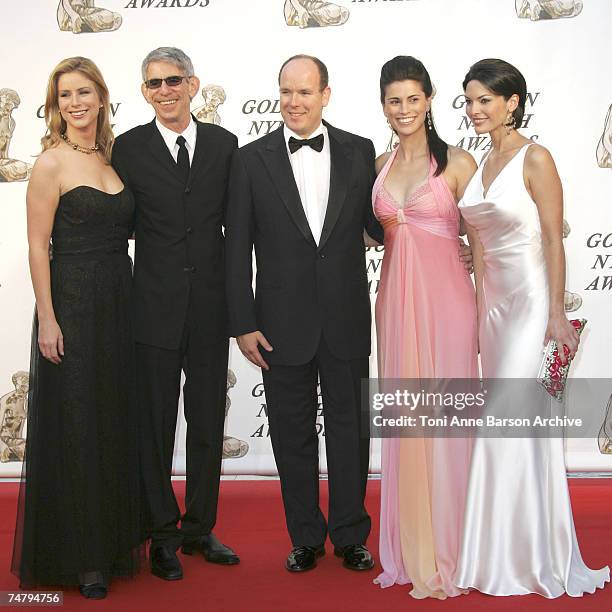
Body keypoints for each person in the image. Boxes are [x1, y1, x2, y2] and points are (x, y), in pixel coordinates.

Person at [455, 58, 610, 597]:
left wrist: (554, 316)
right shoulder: (478, 162)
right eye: (470, 101)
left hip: (530, 308)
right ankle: (493, 548)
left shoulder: (535, 158)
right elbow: (475, 243)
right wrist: (477, 312)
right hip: (495, 311)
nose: (475, 110)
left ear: (513, 100)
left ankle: (526, 555)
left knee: (513, 424)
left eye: (485, 101)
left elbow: (551, 240)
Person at [225, 54, 383, 573]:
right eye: (286, 92)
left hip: (344, 319)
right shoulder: (250, 160)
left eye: (305, 92)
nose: (294, 102)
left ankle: (350, 535)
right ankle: (305, 538)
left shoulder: (361, 151)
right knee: (291, 435)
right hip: (277, 325)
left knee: (349, 433)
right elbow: (236, 248)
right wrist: (243, 322)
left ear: (326, 95)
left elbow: (381, 225)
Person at [11, 56, 141, 599]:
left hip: (119, 304)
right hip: (72, 303)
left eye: (84, 91)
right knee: (76, 424)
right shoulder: (51, 163)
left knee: (111, 419)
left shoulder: (111, 157)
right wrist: (47, 317)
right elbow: (37, 245)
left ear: (102, 97)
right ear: (54, 105)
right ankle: (82, 556)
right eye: (65, 95)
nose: (76, 102)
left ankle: (111, 543)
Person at [111, 47, 239, 582]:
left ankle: (199, 527)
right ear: (144, 91)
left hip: (211, 308)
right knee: (156, 425)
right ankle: (161, 533)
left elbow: (239, 233)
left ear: (192, 84)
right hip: (153, 310)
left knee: (207, 422)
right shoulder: (128, 148)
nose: (164, 90)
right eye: (153, 83)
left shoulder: (224, 144)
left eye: (173, 81)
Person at [372, 56, 478, 599]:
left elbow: (487, 239)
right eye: (395, 100)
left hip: (449, 304)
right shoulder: (379, 165)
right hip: (394, 303)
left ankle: (459, 544)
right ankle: (413, 543)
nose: (404, 109)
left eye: (414, 98)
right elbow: (371, 232)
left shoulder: (459, 164)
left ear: (431, 100)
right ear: (384, 105)